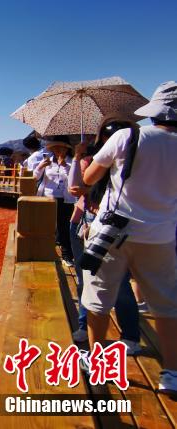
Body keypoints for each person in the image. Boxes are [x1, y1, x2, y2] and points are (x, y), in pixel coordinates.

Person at [80, 81, 177, 394]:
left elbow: (89, 177)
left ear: (154, 111)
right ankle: (171, 373)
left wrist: (88, 155)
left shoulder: (128, 135)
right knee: (166, 306)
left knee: (98, 298)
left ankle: (98, 361)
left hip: (113, 233)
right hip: (161, 236)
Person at [67, 116, 141, 353]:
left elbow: (77, 187)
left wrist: (79, 158)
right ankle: (128, 336)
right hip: (117, 225)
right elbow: (77, 188)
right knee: (116, 283)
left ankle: (90, 333)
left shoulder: (98, 162)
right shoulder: (135, 162)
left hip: (100, 225)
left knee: (92, 281)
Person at [34, 135, 76, 265]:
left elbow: (74, 180)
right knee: (47, 226)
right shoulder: (47, 161)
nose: (58, 150)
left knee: (64, 228)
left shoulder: (72, 162)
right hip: (48, 197)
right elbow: (35, 177)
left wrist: (65, 167)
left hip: (66, 199)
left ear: (66, 149)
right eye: (55, 147)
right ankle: (44, 251)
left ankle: (66, 255)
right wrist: (40, 167)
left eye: (61, 147)